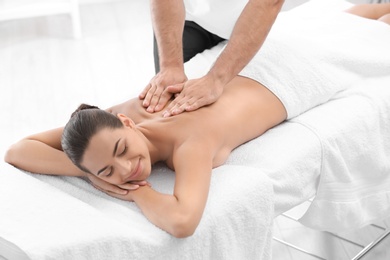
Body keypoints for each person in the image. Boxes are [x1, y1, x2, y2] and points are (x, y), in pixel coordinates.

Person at [4, 4, 390, 238]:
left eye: (121, 150)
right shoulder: (127, 127)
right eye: (109, 168)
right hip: (274, 73)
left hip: (283, 67)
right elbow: (18, 151)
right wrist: (91, 174)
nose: (128, 167)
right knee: (356, 26)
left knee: (343, 26)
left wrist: (131, 190)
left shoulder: (180, 139)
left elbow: (182, 220)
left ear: (125, 121)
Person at [139, 0, 285, 118]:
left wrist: (216, 79)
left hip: (254, 18)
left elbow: (269, 2)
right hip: (188, 17)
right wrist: (170, 66)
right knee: (165, 103)